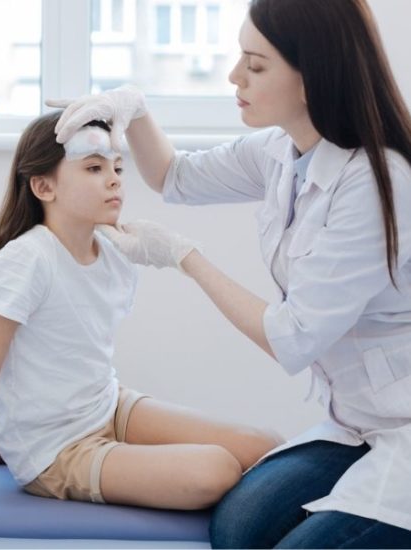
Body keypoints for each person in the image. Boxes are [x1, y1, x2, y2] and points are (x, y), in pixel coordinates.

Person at [48, 0, 411, 548]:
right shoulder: (284, 152)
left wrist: (185, 258)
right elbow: (175, 177)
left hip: (403, 427)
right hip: (357, 422)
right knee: (237, 527)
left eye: (256, 65)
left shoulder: (375, 182)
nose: (234, 76)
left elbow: (293, 337)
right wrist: (136, 111)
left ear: (312, 78)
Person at [0, 111, 281, 541]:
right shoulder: (27, 260)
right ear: (44, 186)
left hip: (105, 405)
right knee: (217, 469)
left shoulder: (114, 252)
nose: (113, 179)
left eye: (117, 167)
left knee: (264, 446)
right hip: (58, 448)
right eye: (94, 168)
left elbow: (54, 355)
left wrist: (2, 442)